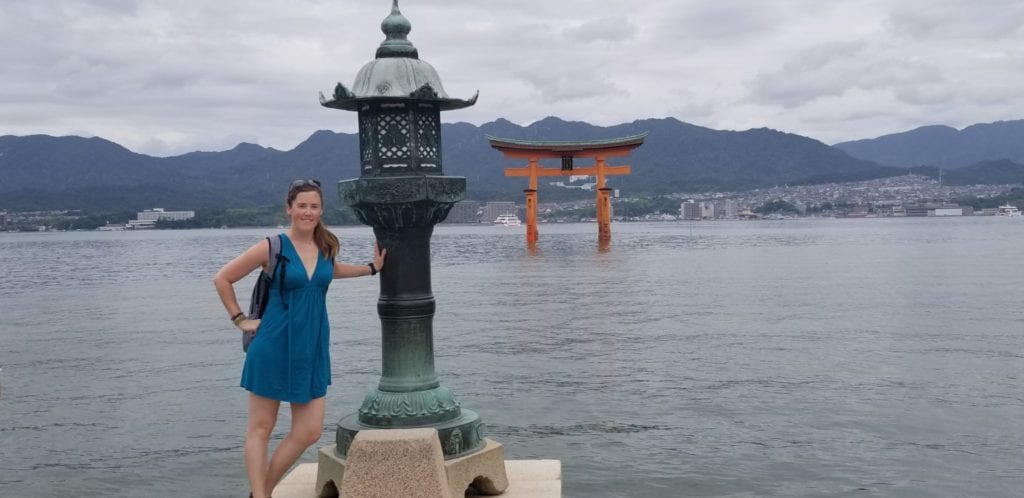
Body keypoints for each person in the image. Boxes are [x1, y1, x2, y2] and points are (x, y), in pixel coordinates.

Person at [213, 179, 385, 498]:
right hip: (272, 345)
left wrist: (372, 268)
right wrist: (240, 320)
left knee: (308, 431)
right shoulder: (271, 246)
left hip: (311, 347)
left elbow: (330, 271)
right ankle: (262, 495)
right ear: (289, 208)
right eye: (302, 205)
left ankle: (259, 491)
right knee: (261, 428)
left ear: (321, 210)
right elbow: (223, 278)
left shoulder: (325, 247)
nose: (308, 212)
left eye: (314, 206)